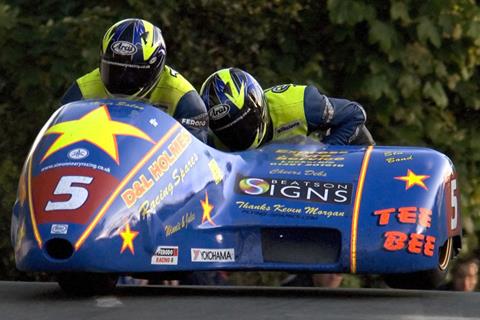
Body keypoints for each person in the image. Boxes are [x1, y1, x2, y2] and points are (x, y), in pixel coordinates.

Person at [61, 18, 208, 143]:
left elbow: (195, 157)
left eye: (134, 72)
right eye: (114, 70)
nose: (122, 79)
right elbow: (57, 136)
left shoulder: (184, 98)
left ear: (156, 66)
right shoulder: (83, 90)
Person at [199, 67, 373, 151]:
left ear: (258, 106)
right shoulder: (214, 142)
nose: (240, 134)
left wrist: (325, 154)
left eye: (245, 124)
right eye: (229, 132)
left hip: (349, 153)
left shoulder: (301, 105)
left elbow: (356, 114)